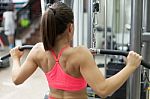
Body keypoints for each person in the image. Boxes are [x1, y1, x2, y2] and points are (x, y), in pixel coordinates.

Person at [10, 2, 142, 99]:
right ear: (70, 28)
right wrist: (130, 66)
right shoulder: (80, 54)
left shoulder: (38, 51)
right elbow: (103, 90)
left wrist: (16, 58)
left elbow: (17, 79)